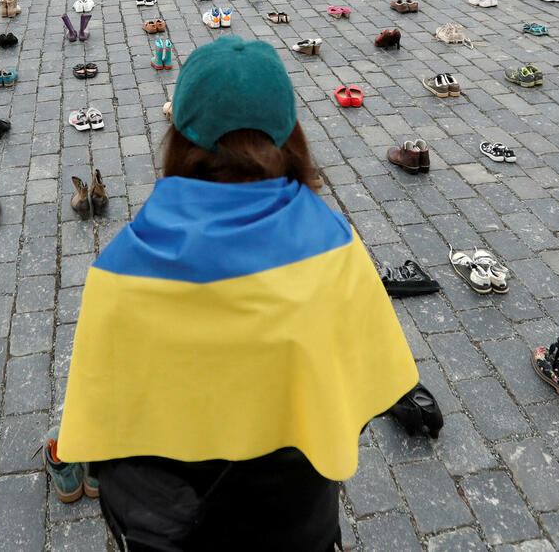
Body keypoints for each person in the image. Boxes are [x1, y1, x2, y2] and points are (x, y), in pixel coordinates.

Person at [54, 36, 419, 550]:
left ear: (179, 136)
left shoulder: (118, 269)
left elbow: (102, 427)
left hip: (163, 527)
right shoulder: (335, 248)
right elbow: (362, 394)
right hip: (294, 523)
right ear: (291, 133)